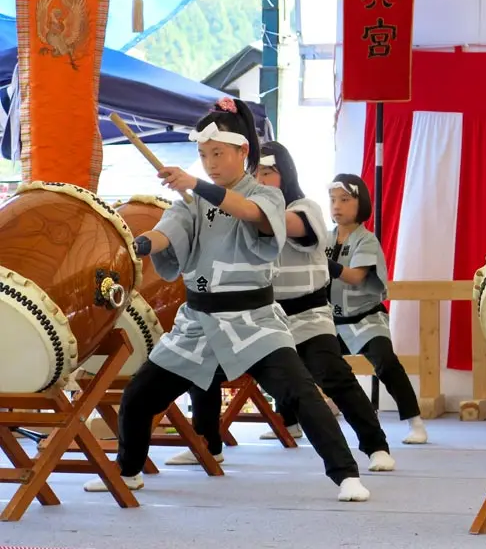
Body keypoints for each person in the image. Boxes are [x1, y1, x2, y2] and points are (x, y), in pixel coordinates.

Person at [83, 97, 372, 502]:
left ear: (242, 151)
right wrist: (137, 244)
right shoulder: (195, 200)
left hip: (253, 320)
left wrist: (195, 183)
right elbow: (172, 230)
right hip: (197, 322)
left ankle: (346, 475)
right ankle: (128, 471)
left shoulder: (267, 196)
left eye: (218, 153)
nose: (210, 163)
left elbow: (251, 213)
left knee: (300, 392)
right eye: (203, 155)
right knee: (139, 395)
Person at [167, 141, 397, 474]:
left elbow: (276, 222)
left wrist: (223, 198)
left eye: (268, 172)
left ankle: (375, 444)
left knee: (332, 375)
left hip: (308, 314)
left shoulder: (305, 208)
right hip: (257, 317)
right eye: (255, 171)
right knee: (202, 369)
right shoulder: (235, 208)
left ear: (285, 173)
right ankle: (207, 443)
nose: (259, 177)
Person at [271, 173, 428, 446]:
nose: (337, 206)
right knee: (291, 361)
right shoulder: (324, 237)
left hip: (365, 318)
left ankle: (415, 422)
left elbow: (355, 276)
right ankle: (290, 423)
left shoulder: (366, 240)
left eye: (345, 199)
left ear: (361, 203)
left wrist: (322, 261)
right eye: (333, 200)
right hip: (329, 320)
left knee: (386, 362)